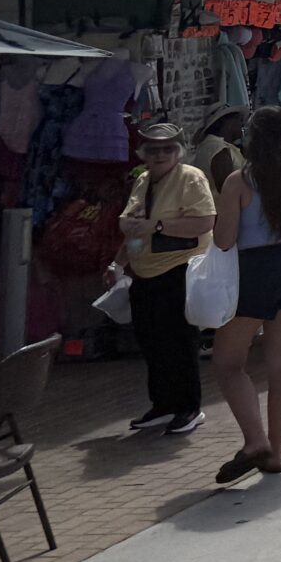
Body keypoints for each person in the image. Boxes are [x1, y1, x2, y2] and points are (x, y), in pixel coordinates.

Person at [210, 106, 281, 483]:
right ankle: (276, 451)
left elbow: (224, 240)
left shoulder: (239, 182)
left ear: (252, 138)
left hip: (254, 270)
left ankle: (255, 440)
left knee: (228, 362)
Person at [114, 122, 216, 437]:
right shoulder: (143, 181)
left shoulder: (190, 178)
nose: (160, 155)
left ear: (178, 151)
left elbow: (204, 221)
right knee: (151, 340)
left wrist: (158, 227)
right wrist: (117, 263)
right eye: (153, 150)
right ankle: (163, 404)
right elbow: (134, 227)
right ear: (143, 153)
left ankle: (188, 407)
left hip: (178, 268)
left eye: (167, 149)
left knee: (179, 342)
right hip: (144, 271)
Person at [189, 105, 246, 192]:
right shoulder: (217, 148)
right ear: (228, 122)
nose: (242, 124)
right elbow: (227, 188)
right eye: (239, 119)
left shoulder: (211, 144)